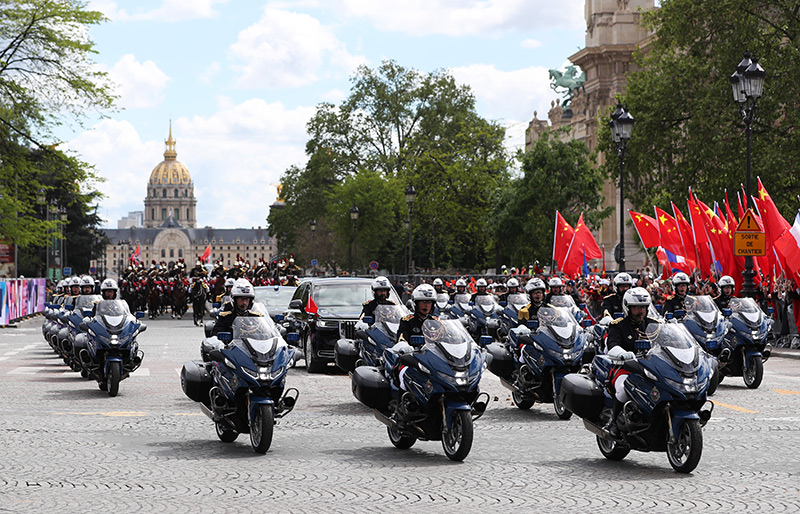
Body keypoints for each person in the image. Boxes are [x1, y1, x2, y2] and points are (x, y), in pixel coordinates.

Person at [604, 287, 660, 436]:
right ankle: (614, 423)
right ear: (627, 308)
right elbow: (612, 345)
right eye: (636, 307)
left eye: (643, 307)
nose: (640, 311)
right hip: (624, 367)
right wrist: (623, 354)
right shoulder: (618, 325)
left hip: (651, 368)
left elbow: (667, 342)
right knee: (623, 389)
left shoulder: (654, 324)